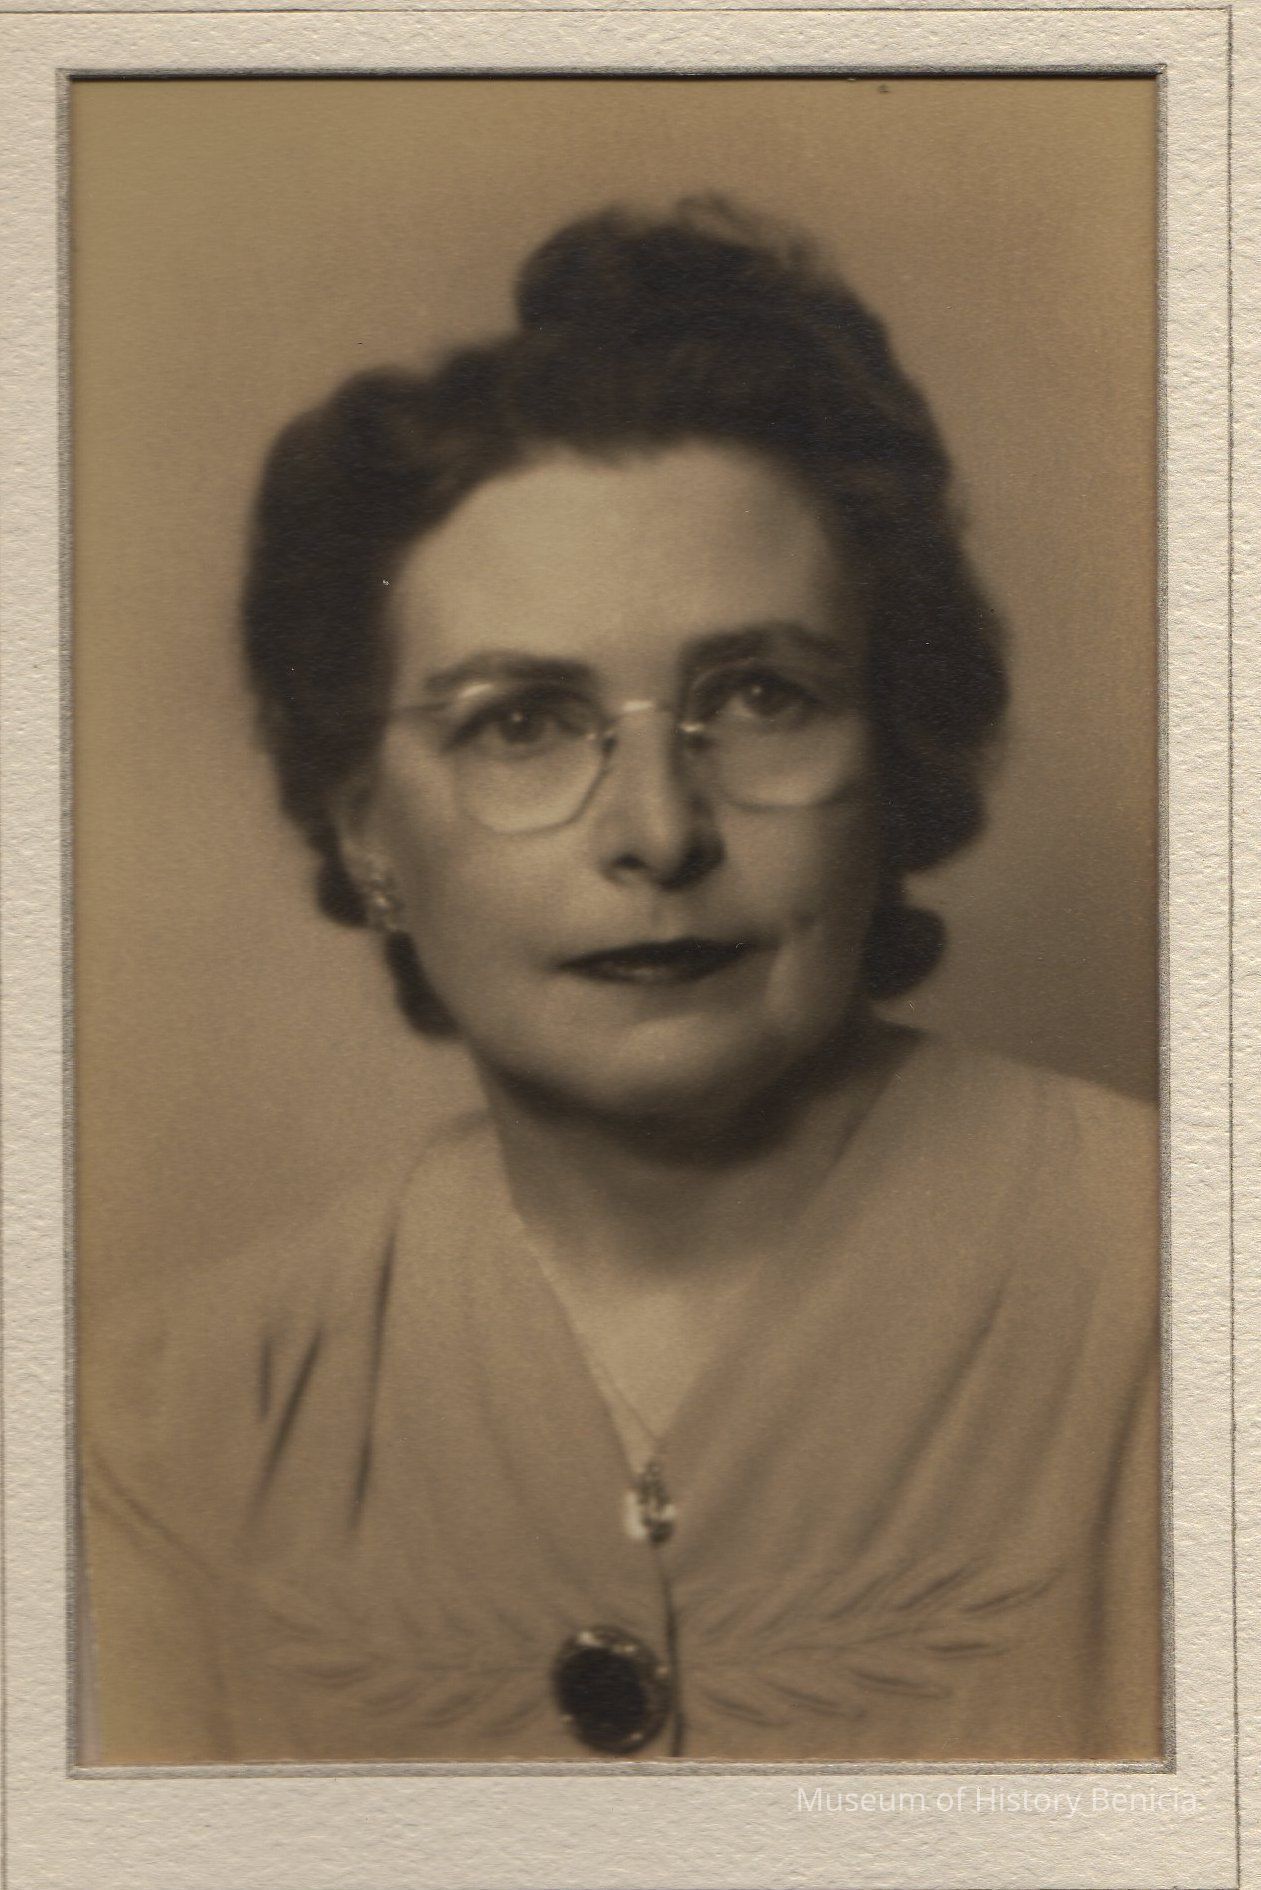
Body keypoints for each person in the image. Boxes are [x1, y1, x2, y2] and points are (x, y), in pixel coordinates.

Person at [81, 198, 1161, 1765]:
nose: (658, 831)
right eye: (520, 723)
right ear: (367, 830)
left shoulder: (1183, 1288)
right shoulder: (176, 1416)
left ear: (891, 752)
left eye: (762, 695)